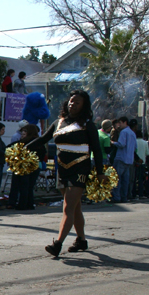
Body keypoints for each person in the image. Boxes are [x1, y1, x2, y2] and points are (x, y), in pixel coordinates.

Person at [26, 89, 104, 257]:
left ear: (84, 106)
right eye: (71, 101)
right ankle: (81, 240)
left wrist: (100, 172)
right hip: (62, 170)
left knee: (68, 207)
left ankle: (58, 244)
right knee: (75, 208)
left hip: (80, 169)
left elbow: (96, 150)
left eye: (77, 102)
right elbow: (43, 139)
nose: (72, 104)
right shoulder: (58, 122)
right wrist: (23, 148)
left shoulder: (87, 124)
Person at [16, 124, 43, 211]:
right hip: (36, 166)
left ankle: (22, 204)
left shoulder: (25, 142)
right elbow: (43, 153)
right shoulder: (39, 141)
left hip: (25, 166)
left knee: (24, 186)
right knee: (30, 186)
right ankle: (30, 204)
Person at [110, 116, 136, 203]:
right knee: (125, 180)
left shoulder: (124, 132)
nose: (119, 125)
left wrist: (113, 143)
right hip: (129, 159)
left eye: (120, 123)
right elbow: (135, 146)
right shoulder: (132, 133)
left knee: (116, 179)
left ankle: (116, 197)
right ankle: (124, 197)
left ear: (125, 122)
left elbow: (121, 144)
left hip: (121, 158)